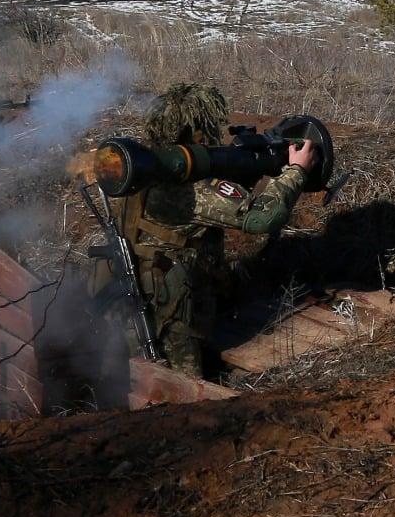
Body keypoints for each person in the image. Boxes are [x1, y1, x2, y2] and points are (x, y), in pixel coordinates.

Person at [95, 82, 316, 375]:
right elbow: (264, 217)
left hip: (126, 298)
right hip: (167, 315)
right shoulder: (190, 189)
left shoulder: (139, 168)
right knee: (178, 395)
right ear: (197, 132)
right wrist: (297, 171)